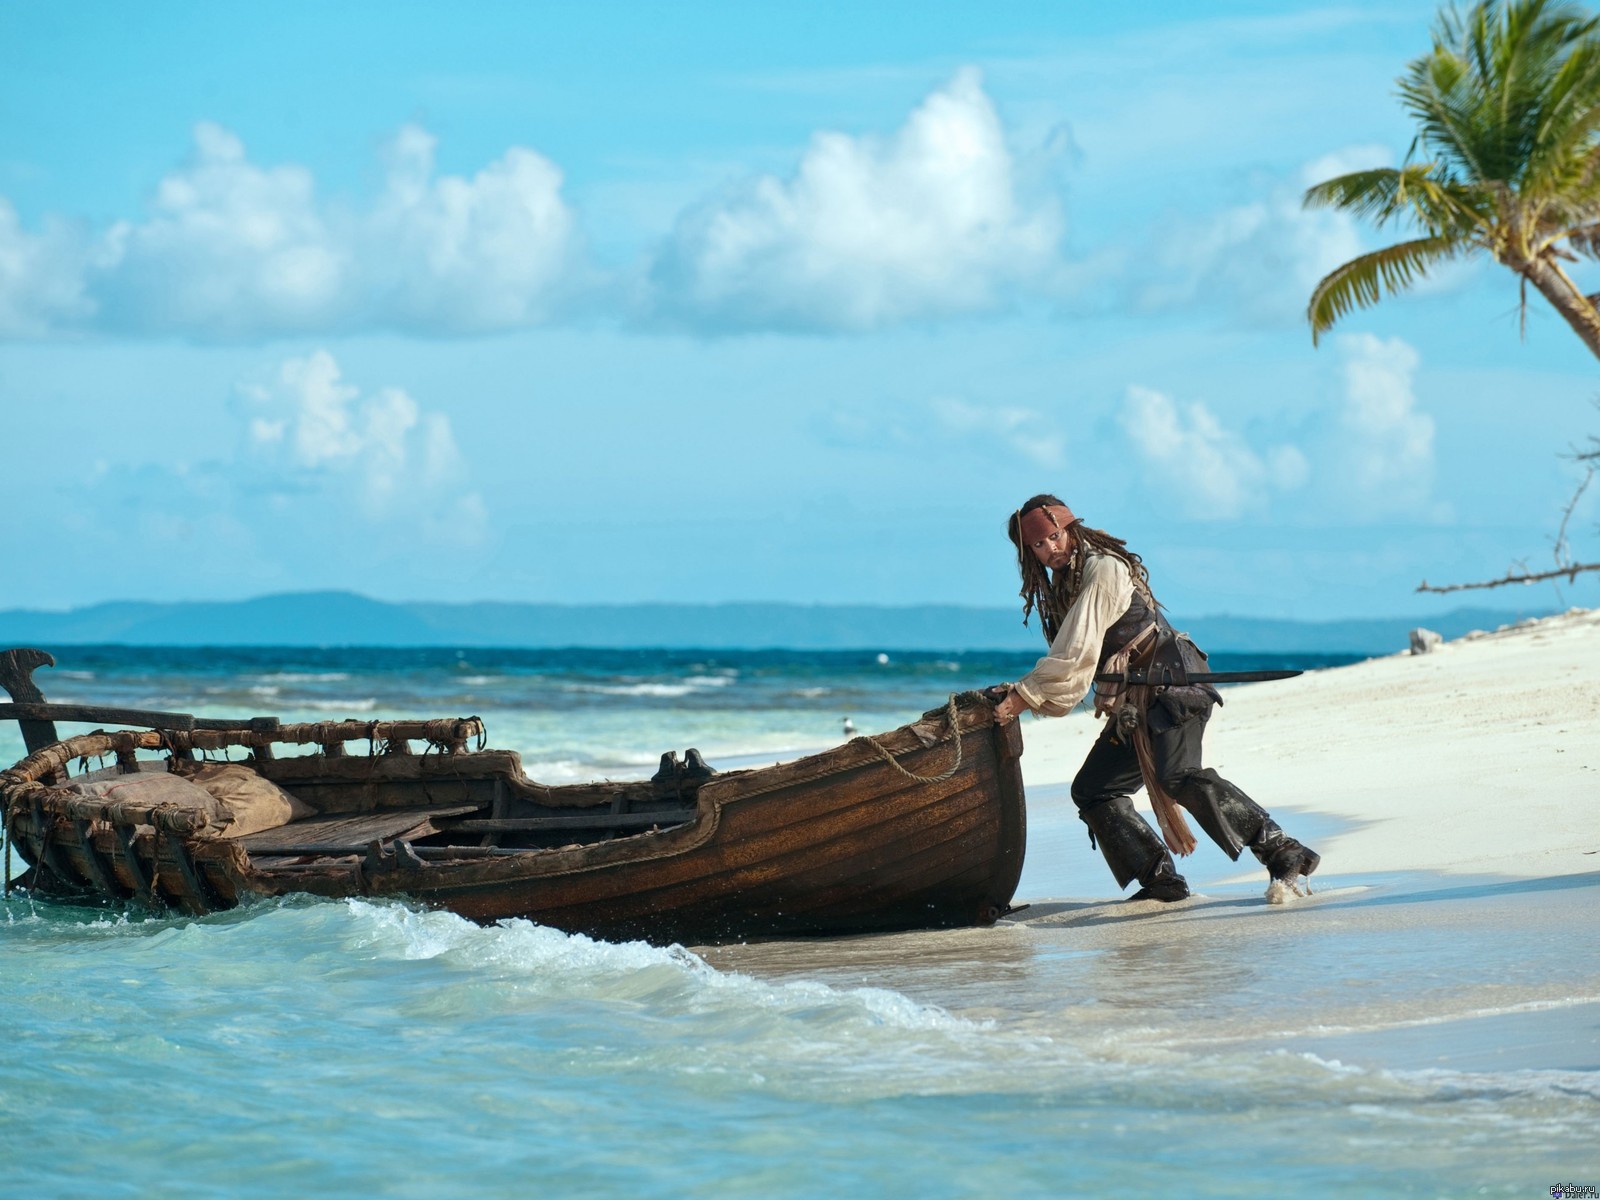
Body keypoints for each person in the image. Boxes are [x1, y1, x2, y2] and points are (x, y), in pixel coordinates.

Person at [990, 494, 1319, 904]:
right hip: (1134, 704)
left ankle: (1283, 850)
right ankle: (1160, 880)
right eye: (1038, 545)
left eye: (1054, 537)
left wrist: (1024, 696)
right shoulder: (1064, 585)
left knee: (1177, 775)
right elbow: (1079, 655)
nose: (1049, 549)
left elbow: (1075, 652)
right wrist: (1022, 691)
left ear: (1069, 529)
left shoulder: (1103, 569)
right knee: (1094, 789)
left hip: (1174, 687)